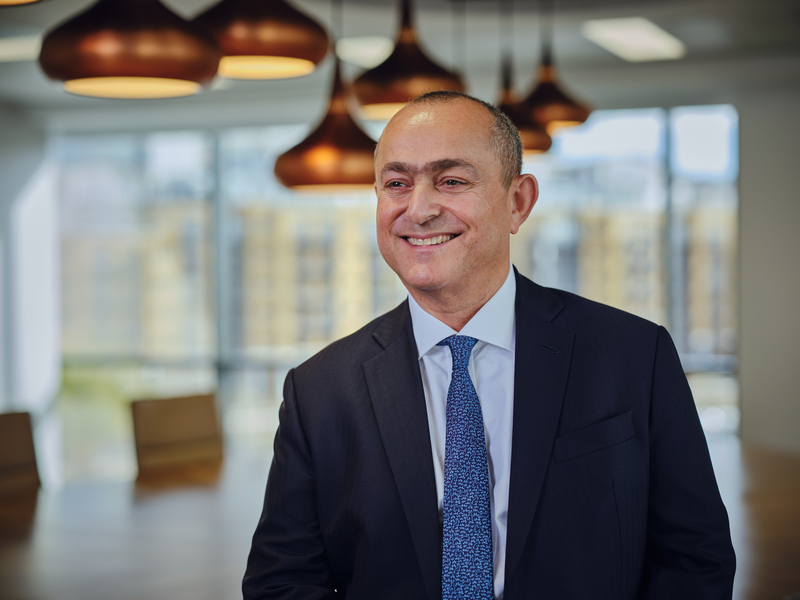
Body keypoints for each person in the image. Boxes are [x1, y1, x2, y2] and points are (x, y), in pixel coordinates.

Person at [243, 91, 736, 600]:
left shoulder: (634, 355)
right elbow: (281, 582)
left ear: (517, 202)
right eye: (396, 184)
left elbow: (693, 558)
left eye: (451, 181)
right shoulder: (319, 389)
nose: (419, 208)